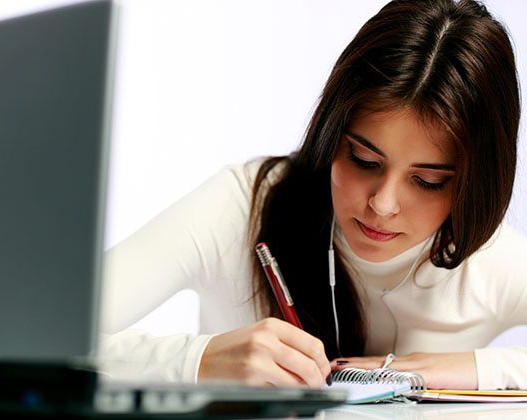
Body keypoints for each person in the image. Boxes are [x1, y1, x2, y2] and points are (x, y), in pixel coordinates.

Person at [98, 0, 526, 391]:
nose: (383, 204)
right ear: (329, 134)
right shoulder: (242, 206)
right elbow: (37, 333)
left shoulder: (486, 261)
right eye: (363, 159)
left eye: (429, 181)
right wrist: (198, 360)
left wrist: (473, 368)